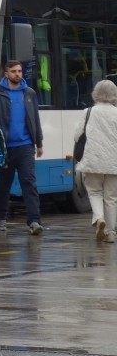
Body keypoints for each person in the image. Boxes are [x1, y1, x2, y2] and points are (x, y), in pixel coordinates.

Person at [0, 60, 44, 234]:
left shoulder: (29, 93)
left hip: (26, 146)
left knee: (29, 183)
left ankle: (34, 222)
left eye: (20, 71)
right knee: (4, 185)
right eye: (14, 71)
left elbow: (35, 119)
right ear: (6, 73)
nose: (18, 74)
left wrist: (39, 143)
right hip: (5, 147)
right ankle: (1, 218)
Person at [73, 78, 117, 243]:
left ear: (96, 93)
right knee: (111, 197)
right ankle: (111, 232)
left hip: (93, 160)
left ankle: (99, 218)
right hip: (114, 162)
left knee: (95, 192)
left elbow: (77, 135)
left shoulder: (88, 112)